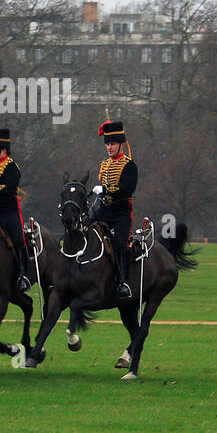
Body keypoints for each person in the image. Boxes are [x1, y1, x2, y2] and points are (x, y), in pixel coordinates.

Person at [92, 120, 137, 299]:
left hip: (121, 212)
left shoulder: (129, 166)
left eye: (112, 144)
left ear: (121, 145)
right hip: (105, 209)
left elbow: (127, 188)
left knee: (120, 243)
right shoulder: (104, 165)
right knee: (83, 228)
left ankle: (124, 281)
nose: (109, 147)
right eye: (107, 144)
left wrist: (107, 190)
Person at [0, 126, 30, 291]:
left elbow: (11, 188)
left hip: (9, 209)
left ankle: (23, 274)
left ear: (3, 150)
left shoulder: (12, 167)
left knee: (19, 239)